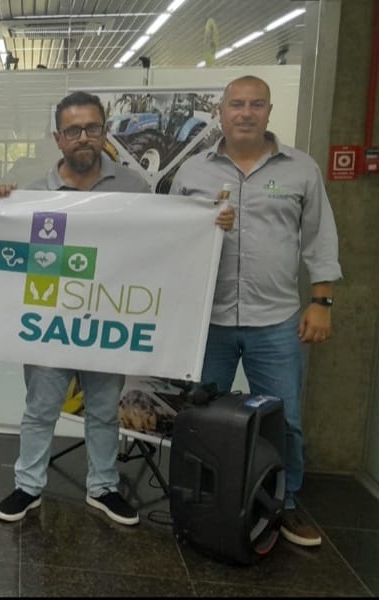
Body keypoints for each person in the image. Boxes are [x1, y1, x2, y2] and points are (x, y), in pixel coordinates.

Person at [0, 91, 234, 526]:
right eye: (73, 130)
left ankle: (102, 487)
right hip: (50, 319)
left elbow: (162, 241)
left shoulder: (133, 187)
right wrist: (1, 203)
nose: (84, 137)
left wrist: (208, 223)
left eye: (93, 128)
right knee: (40, 408)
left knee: (103, 409)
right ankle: (28, 486)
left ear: (104, 133)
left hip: (107, 317)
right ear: (58, 138)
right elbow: (10, 246)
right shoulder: (33, 191)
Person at [171, 75, 341, 547]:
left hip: (278, 322)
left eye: (256, 104)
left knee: (285, 422)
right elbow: (169, 239)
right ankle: (201, 506)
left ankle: (283, 506)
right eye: (236, 104)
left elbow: (320, 240)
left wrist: (321, 301)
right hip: (210, 322)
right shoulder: (191, 173)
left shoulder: (300, 170)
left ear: (269, 111)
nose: (245, 113)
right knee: (200, 418)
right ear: (220, 112)